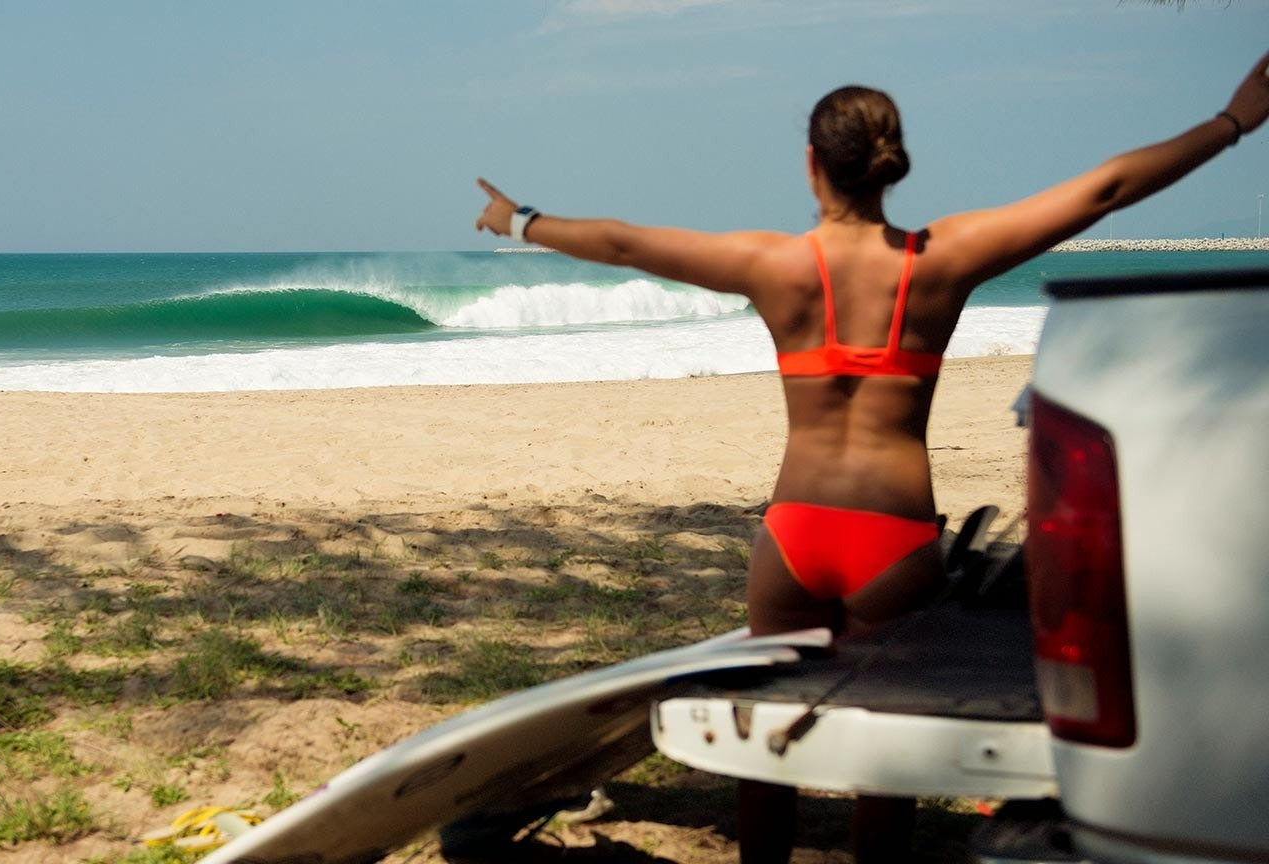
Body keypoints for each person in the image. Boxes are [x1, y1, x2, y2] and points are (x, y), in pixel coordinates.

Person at [476, 51, 1269, 864]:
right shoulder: (944, 258)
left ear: (813, 163)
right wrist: (1233, 120)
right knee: (882, 762)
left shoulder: (772, 265)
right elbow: (1103, 190)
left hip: (793, 535)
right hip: (892, 540)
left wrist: (517, 219)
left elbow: (620, 243)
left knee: (762, 747)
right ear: (889, 164)